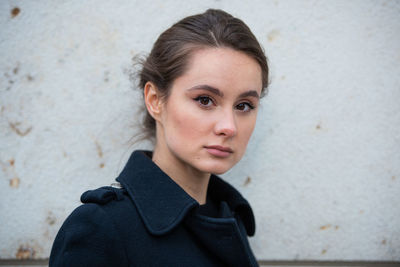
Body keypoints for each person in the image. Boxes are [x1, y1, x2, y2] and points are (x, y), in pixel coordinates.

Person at [49, 8, 269, 267]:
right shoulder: (101, 227)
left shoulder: (230, 216)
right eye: (205, 100)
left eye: (243, 105)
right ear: (155, 101)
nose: (229, 127)